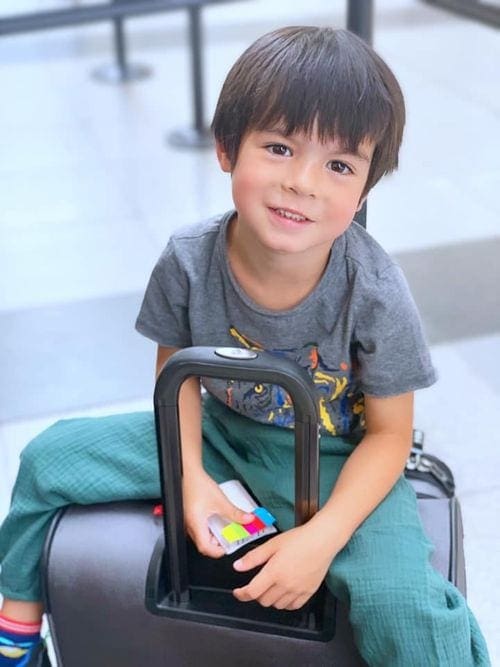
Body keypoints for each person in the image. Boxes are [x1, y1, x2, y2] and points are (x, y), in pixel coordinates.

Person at [0, 26, 490, 667]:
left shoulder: (374, 291)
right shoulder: (188, 260)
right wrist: (191, 479)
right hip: (220, 434)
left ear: (365, 189)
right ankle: (17, 639)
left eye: (339, 165)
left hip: (339, 459)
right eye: (280, 147)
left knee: (402, 601)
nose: (303, 183)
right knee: (48, 458)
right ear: (227, 149)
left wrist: (321, 539)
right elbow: (175, 381)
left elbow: (390, 437)